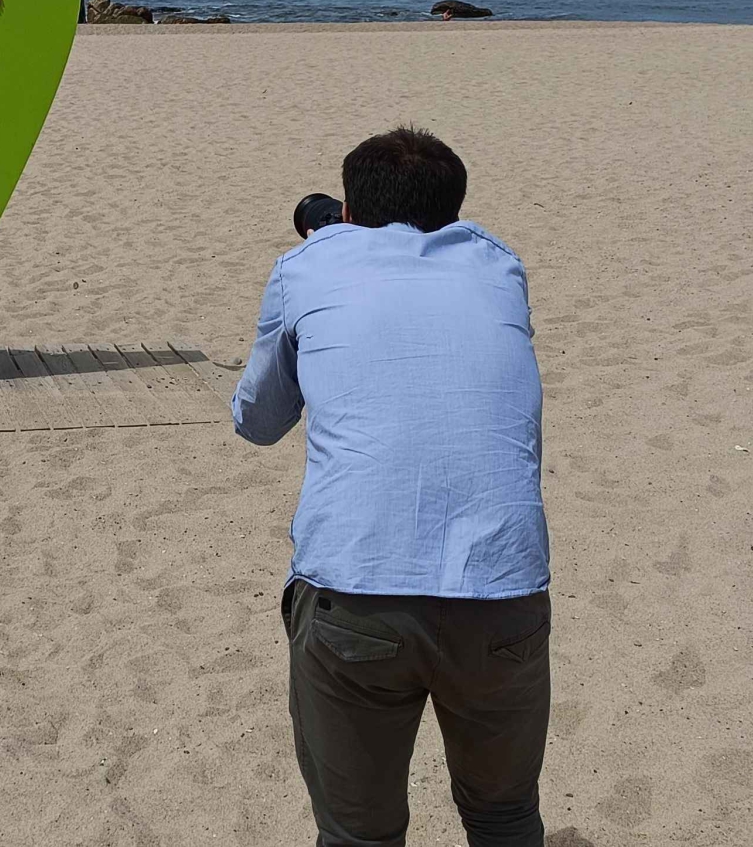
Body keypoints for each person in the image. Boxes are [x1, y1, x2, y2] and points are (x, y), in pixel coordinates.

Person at [233, 127, 550, 847]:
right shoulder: (500, 265)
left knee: (358, 835)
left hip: (357, 589)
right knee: (504, 817)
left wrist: (322, 248)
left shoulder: (305, 268)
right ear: (454, 210)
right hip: (504, 593)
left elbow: (258, 421)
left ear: (348, 211)